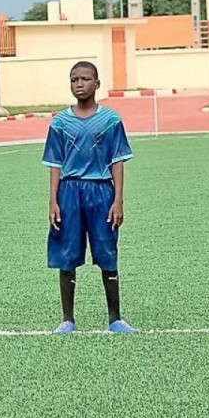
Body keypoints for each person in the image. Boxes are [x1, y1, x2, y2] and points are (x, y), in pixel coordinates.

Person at [43, 61, 134, 334]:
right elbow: (55, 163)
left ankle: (115, 318)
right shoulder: (59, 122)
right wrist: (53, 201)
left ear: (97, 83)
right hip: (69, 191)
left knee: (107, 251)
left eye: (85, 79)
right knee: (67, 253)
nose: (79, 84)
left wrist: (118, 200)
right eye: (74, 80)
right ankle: (67, 319)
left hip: (101, 191)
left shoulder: (111, 121)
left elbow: (117, 161)